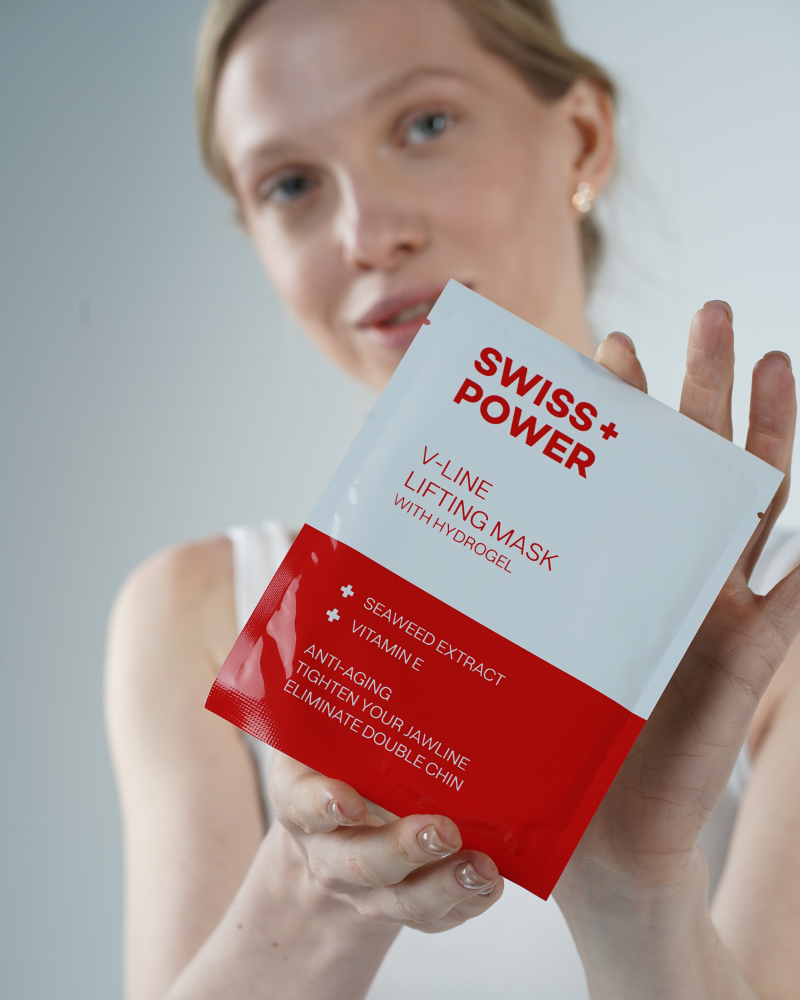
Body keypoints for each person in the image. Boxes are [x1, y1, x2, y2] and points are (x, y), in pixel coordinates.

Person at [104, 1, 800, 997]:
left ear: (581, 137)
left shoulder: (764, 629)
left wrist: (634, 898)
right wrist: (316, 881)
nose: (365, 235)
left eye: (425, 124)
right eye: (291, 183)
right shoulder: (196, 611)